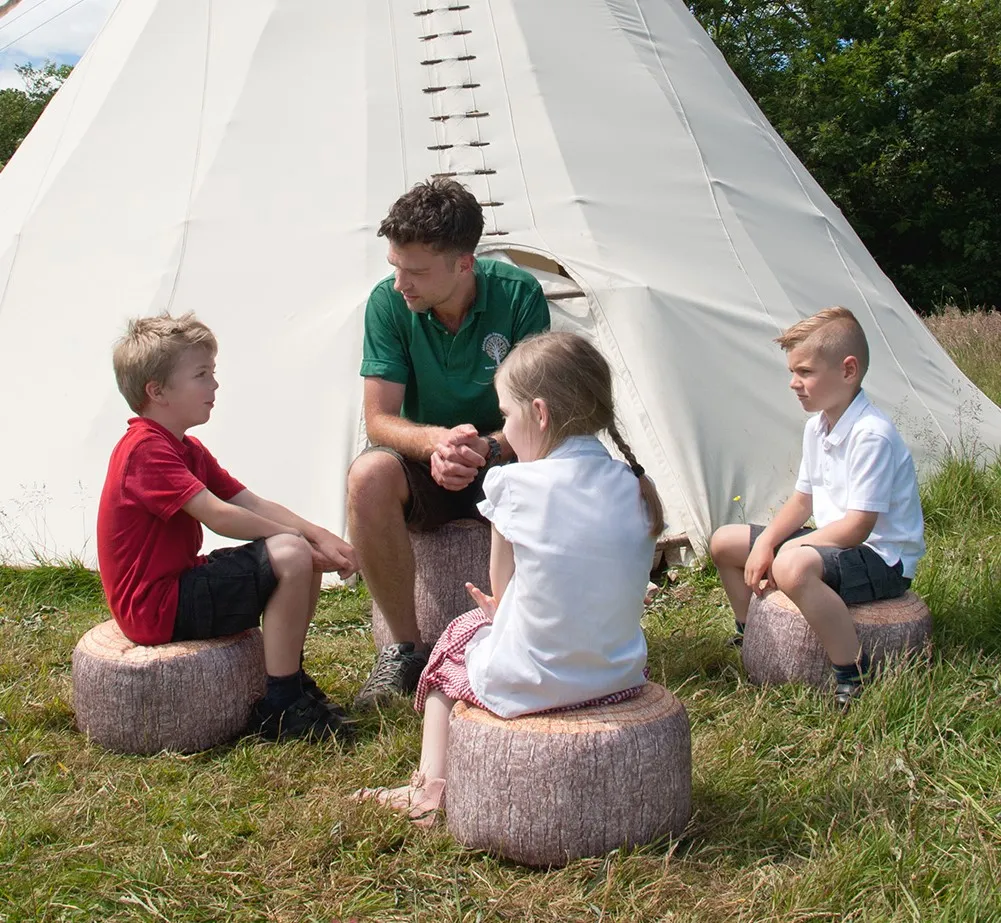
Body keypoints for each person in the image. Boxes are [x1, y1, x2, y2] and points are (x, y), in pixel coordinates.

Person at [354, 331, 663, 823]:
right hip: (618, 674)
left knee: (455, 641)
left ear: (538, 414)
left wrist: (498, 612)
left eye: (505, 416)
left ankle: (429, 787)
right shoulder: (635, 485)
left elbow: (500, 586)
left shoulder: (512, 483)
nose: (503, 428)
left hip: (538, 680)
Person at [97, 313, 358, 742]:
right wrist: (297, 542)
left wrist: (320, 536)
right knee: (290, 554)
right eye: (202, 375)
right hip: (155, 608)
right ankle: (281, 706)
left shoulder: (186, 447)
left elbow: (249, 501)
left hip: (177, 587)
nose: (214, 386)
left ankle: (290, 681)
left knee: (297, 554)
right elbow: (219, 515)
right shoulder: (144, 449)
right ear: (157, 391)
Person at [347, 177, 550, 708]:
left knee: (567, 467)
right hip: (426, 461)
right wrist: (438, 443)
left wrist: (485, 448)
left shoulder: (518, 294)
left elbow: (539, 413)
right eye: (395, 265)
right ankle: (403, 650)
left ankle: (540, 634)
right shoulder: (387, 305)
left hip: (505, 458)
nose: (399, 284)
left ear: (465, 264)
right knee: (368, 475)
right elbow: (379, 420)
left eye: (414, 271)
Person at [710, 306, 925, 708]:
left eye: (805, 372)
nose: (794, 383)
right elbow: (802, 500)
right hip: (834, 543)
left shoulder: (871, 434)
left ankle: (852, 670)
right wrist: (767, 542)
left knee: (791, 566)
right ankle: (749, 631)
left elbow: (858, 527)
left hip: (882, 556)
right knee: (724, 542)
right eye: (793, 372)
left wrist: (786, 551)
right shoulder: (818, 426)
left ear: (848, 370)